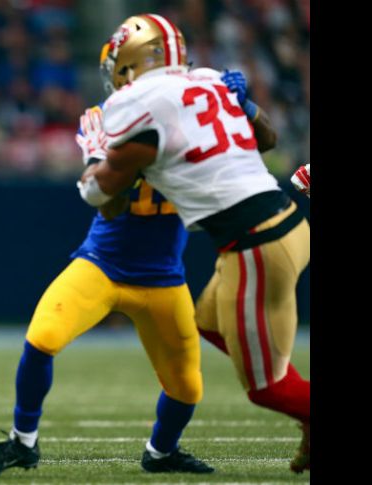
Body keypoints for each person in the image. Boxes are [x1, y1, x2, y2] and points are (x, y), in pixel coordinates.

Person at [77, 14, 310, 474]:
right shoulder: (206, 78)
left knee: (266, 388)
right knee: (210, 323)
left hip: (256, 242)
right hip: (280, 223)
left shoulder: (134, 102)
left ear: (131, 61)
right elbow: (268, 139)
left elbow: (100, 194)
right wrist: (244, 105)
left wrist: (92, 158)